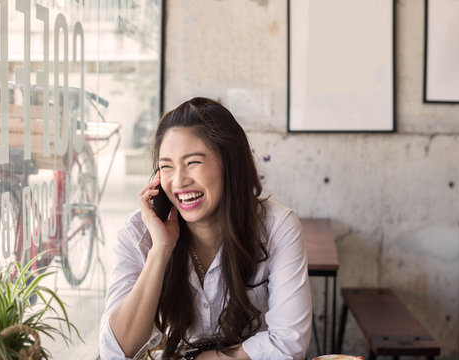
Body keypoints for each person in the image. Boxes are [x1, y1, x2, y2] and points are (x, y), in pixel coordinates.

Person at [99, 97, 312, 360]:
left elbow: (289, 343)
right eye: (167, 166)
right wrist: (160, 250)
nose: (179, 181)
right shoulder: (138, 233)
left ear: (229, 164)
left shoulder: (277, 227)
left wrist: (198, 359)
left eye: (193, 163)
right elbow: (116, 351)